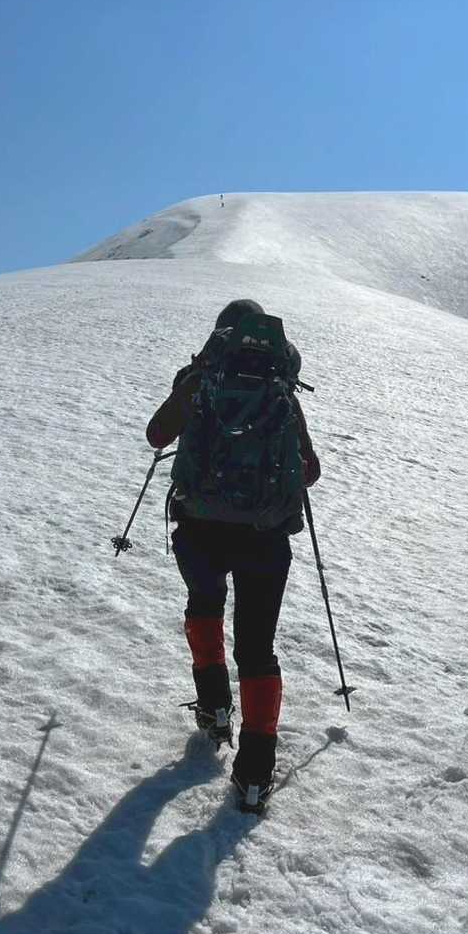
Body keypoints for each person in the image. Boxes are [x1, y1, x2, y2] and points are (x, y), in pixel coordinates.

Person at [145, 299, 321, 813]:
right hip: (265, 539)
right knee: (258, 648)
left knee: (204, 606)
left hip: (199, 531)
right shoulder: (278, 385)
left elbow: (157, 435)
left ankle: (215, 707)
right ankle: (254, 775)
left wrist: (196, 381)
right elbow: (310, 470)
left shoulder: (203, 378)